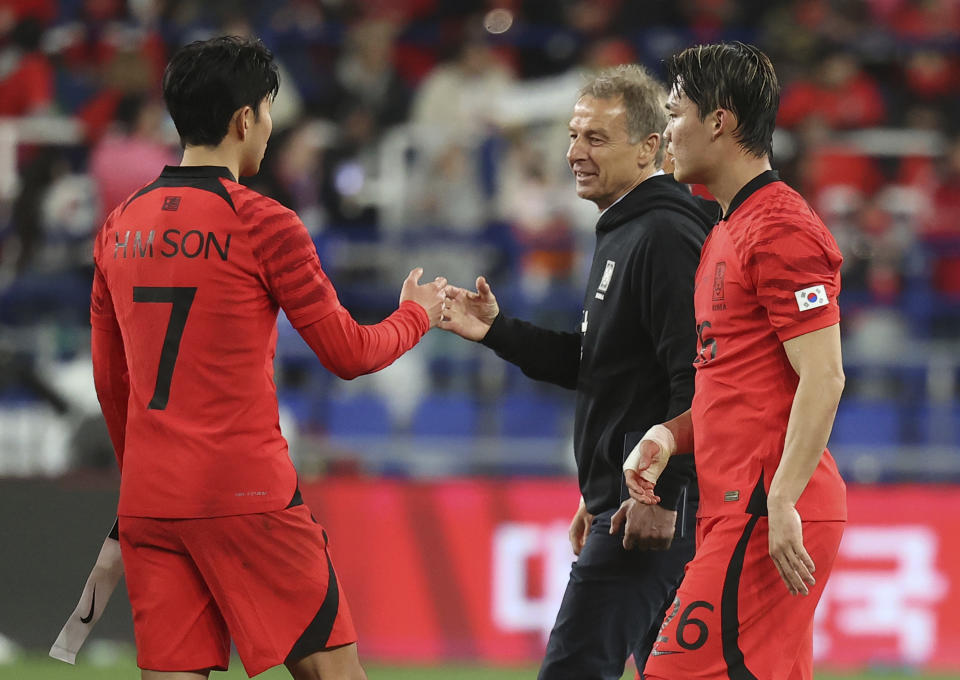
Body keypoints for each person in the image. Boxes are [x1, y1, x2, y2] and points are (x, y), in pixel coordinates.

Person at [87, 36, 446, 680]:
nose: (272, 128)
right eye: (270, 112)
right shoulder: (265, 222)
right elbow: (348, 352)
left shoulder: (118, 225)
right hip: (245, 493)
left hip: (150, 498)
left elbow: (112, 386)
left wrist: (145, 477)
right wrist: (416, 313)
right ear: (245, 118)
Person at [440, 65, 713, 679]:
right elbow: (602, 368)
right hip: (624, 500)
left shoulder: (663, 235)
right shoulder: (627, 229)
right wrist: (496, 330)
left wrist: (656, 496)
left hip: (645, 508)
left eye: (595, 139)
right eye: (572, 136)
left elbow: (695, 377)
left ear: (650, 148)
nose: (573, 154)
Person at [624, 42, 847, 680]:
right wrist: (669, 435)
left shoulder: (779, 229)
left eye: (673, 113)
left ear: (718, 120)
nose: (664, 132)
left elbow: (825, 376)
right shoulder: (726, 228)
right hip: (745, 504)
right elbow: (737, 384)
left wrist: (782, 501)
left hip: (764, 510)